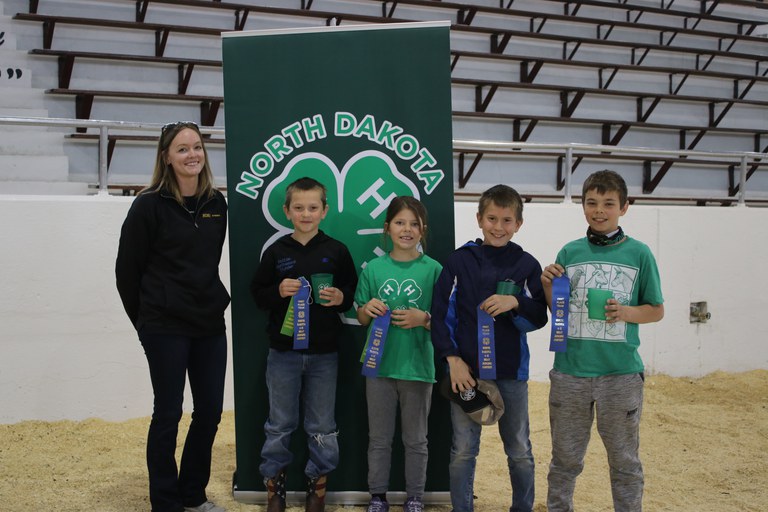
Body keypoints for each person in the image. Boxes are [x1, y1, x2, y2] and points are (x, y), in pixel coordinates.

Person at [115, 121, 230, 512]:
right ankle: (165, 501)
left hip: (209, 324)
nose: (192, 155)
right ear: (166, 156)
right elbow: (126, 273)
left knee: (210, 412)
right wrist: (145, 322)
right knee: (168, 413)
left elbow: (207, 264)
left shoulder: (217, 203)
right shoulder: (148, 205)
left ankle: (192, 495)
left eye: (196, 147)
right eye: (182, 149)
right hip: (164, 327)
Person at [540, 169, 664, 512]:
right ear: (582, 206)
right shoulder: (569, 251)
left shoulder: (640, 254)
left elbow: (656, 310)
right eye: (591, 202)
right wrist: (548, 286)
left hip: (620, 375)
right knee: (564, 460)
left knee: (624, 461)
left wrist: (625, 313)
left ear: (624, 207)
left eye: (608, 203)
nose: (599, 210)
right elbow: (558, 312)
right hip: (569, 373)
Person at [431, 184, 549, 512]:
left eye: (507, 220)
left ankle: (522, 507)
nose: (499, 227)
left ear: (518, 224)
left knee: (519, 450)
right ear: (479, 219)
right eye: (492, 219)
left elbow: (540, 315)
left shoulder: (527, 265)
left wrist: (516, 302)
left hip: (512, 374)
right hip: (466, 374)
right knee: (463, 451)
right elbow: (441, 317)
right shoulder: (457, 262)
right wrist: (452, 360)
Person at [250, 177, 358, 512]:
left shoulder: (337, 250)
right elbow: (257, 294)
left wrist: (340, 297)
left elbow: (350, 294)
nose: (306, 214)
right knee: (279, 423)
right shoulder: (276, 252)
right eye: (299, 208)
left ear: (324, 211)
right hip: (282, 352)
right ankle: (275, 488)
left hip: (325, 353)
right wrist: (276, 292)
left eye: (313, 207)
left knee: (322, 425)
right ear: (287, 211)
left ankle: (318, 486)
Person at [355, 197, 443, 512]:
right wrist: (367, 309)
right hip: (378, 368)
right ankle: (377, 496)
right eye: (400, 222)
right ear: (387, 228)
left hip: (418, 367)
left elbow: (447, 320)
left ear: (423, 230)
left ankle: (414, 498)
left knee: (416, 440)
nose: (407, 229)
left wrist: (425, 319)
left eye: (414, 223)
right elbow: (362, 316)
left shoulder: (434, 270)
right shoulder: (374, 269)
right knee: (379, 438)